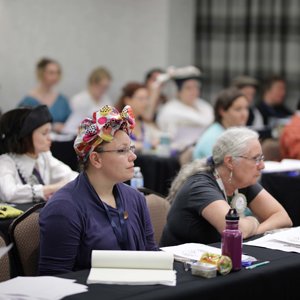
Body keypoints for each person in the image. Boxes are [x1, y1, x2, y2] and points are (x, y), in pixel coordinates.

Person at [39, 105, 157, 275]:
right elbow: (53, 279)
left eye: (131, 148)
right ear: (96, 159)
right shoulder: (64, 208)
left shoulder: (135, 197)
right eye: (122, 150)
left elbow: (151, 254)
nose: (133, 156)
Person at [160, 127, 292, 246]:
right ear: (230, 162)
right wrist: (253, 220)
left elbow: (282, 217)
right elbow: (235, 230)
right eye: (255, 159)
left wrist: (253, 229)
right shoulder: (200, 186)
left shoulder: (241, 181)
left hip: (215, 259)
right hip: (180, 265)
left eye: (261, 158)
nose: (262, 165)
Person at [0, 105, 78, 204]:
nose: (49, 138)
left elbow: (72, 176)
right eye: (44, 133)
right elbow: (9, 193)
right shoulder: (6, 161)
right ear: (25, 137)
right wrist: (50, 188)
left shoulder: (44, 156)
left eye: (50, 132)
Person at [156, 66, 214, 152]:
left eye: (196, 87)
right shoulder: (170, 110)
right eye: (188, 88)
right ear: (178, 91)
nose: (194, 91)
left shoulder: (205, 107)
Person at [193, 87, 249, 159]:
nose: (244, 114)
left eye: (246, 108)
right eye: (238, 109)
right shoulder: (214, 139)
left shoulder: (234, 133)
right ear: (222, 111)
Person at [19, 58, 71, 133]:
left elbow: (70, 121)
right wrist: (52, 126)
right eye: (51, 73)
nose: (55, 76)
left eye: (57, 73)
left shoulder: (62, 100)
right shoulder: (29, 101)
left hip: (62, 141)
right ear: (41, 73)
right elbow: (22, 124)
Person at [63, 67, 113, 135]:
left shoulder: (106, 101)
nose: (102, 90)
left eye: (105, 87)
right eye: (100, 86)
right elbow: (70, 124)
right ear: (92, 83)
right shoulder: (78, 100)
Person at [116, 82, 161, 152]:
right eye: (141, 99)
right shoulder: (116, 124)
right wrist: (148, 145)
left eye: (147, 99)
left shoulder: (146, 126)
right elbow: (120, 146)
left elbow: (161, 138)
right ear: (128, 100)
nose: (146, 103)